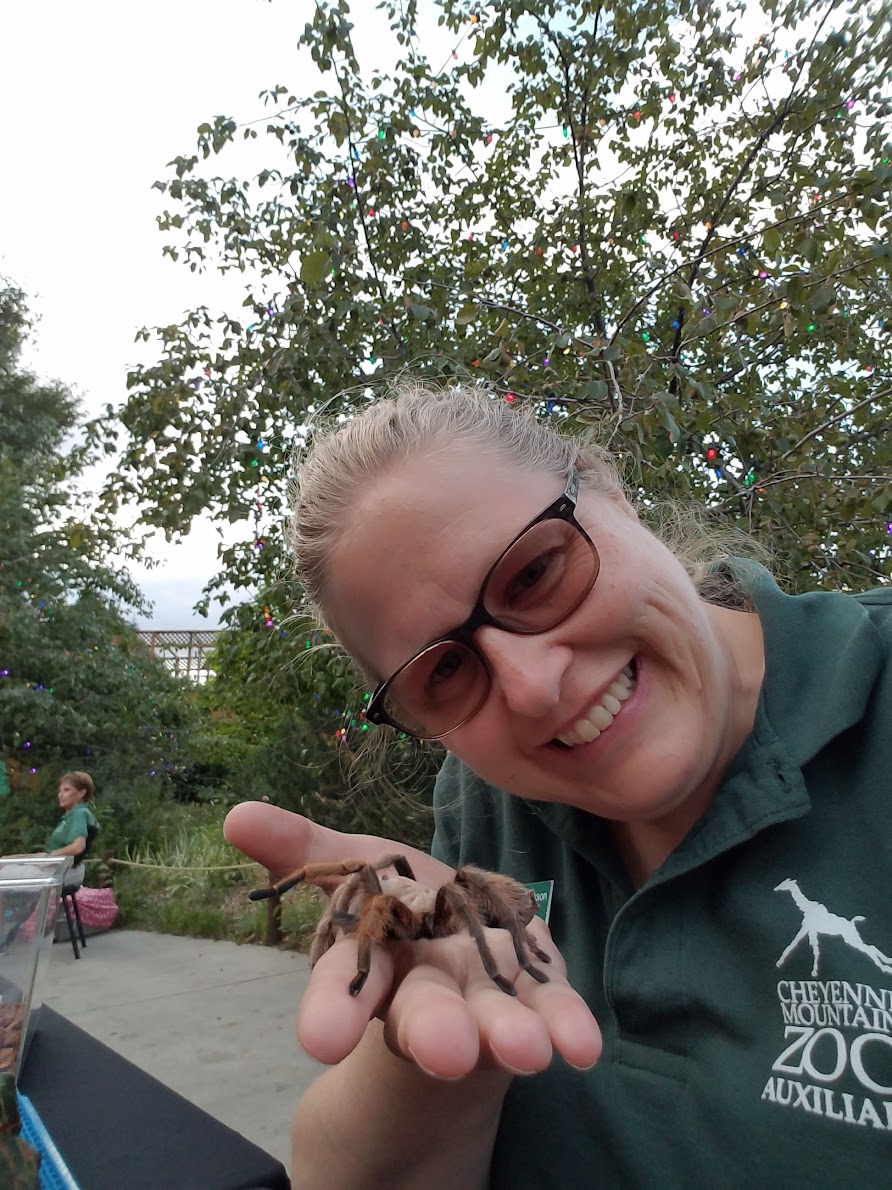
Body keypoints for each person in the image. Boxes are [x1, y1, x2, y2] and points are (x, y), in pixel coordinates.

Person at [224, 383, 892, 1188]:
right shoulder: (478, 802)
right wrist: (424, 1054)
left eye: (536, 572)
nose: (536, 689)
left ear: (609, 489)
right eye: (443, 671)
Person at [45, 771, 98, 889]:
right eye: (60, 790)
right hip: (59, 869)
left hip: (67, 872)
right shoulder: (69, 817)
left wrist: (51, 857)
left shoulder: (80, 814)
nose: (60, 795)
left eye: (66, 790)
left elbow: (78, 847)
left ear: (81, 793)